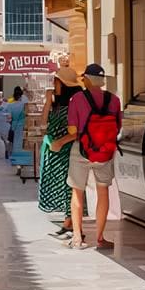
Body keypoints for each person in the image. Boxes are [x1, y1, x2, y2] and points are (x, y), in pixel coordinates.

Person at [65, 64, 123, 250]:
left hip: (81, 149)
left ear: (88, 79)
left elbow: (73, 130)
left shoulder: (77, 99)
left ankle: (77, 237)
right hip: (105, 151)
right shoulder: (114, 100)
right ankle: (100, 237)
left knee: (77, 191)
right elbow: (118, 127)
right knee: (103, 192)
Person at [38, 67, 82, 236]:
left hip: (67, 151)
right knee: (61, 185)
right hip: (54, 151)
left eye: (55, 81)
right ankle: (68, 221)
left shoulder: (75, 103)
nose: (53, 84)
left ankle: (70, 222)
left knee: (68, 186)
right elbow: (44, 123)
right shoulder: (57, 103)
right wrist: (48, 101)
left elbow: (77, 130)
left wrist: (60, 142)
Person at [4, 86, 28, 157]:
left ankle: (15, 156)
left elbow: (9, 118)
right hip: (24, 124)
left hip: (14, 125)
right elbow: (27, 114)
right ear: (21, 96)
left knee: (15, 141)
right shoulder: (24, 105)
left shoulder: (10, 105)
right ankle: (23, 157)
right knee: (22, 142)